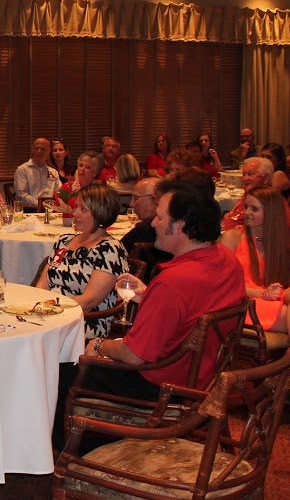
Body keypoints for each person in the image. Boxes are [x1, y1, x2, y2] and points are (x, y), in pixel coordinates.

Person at [56, 180, 246, 448]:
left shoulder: (173, 282)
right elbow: (196, 306)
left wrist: (98, 344)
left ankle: (78, 454)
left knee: (60, 370)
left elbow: (136, 355)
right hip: (203, 375)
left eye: (160, 216)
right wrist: (152, 296)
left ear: (180, 227)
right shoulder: (227, 261)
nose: (153, 223)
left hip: (163, 387)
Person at [220, 186, 290, 389]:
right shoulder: (234, 237)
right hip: (241, 302)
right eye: (246, 207)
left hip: (269, 300)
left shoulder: (282, 243)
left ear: (271, 212)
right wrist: (262, 293)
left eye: (254, 209)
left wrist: (271, 291)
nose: (247, 213)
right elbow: (223, 282)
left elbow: (285, 284)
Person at [37, 183, 128, 339]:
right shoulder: (63, 241)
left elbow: (89, 301)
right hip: (50, 316)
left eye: (83, 209)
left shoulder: (110, 250)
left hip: (85, 322)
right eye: (76, 207)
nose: (74, 213)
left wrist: (51, 311)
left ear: (100, 214)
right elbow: (43, 284)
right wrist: (38, 309)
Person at [119, 177, 171, 282]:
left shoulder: (146, 228)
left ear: (154, 200)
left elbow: (118, 253)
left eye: (136, 198)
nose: (131, 204)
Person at [222, 157, 290, 231]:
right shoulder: (247, 195)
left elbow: (281, 232)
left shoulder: (272, 199)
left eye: (250, 174)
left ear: (266, 179)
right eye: (243, 174)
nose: (245, 179)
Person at [13, 137, 60, 208]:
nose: (39, 151)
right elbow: (21, 195)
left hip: (51, 209)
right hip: (30, 210)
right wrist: (40, 204)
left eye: (42, 149)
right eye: (36, 148)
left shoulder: (53, 172)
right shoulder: (22, 170)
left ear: (49, 151)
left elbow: (59, 192)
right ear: (32, 150)